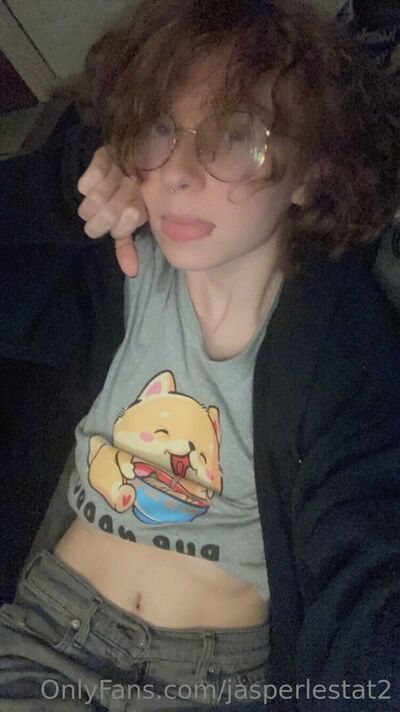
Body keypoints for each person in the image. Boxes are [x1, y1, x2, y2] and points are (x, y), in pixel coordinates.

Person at [0, 0, 400, 710]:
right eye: (160, 128)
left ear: (309, 173)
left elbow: (367, 567)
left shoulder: (337, 336)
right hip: (45, 633)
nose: (178, 172)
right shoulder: (119, 270)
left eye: (236, 135)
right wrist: (71, 186)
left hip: (211, 681)